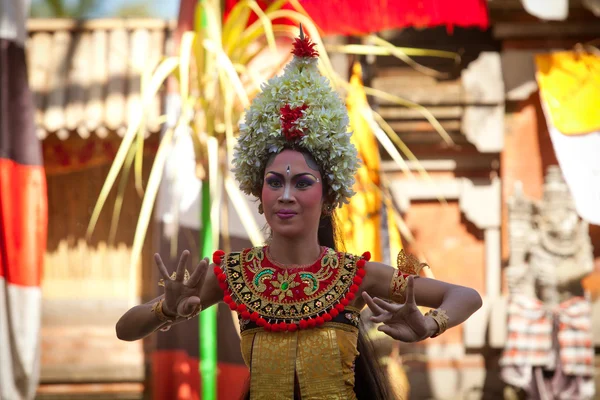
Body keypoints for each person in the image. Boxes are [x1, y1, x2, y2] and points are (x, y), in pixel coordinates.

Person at [116, 27, 482, 400]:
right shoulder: (232, 275)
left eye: (302, 183)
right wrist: (166, 309)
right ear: (260, 195)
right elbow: (125, 328)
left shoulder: (356, 276)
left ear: (328, 198)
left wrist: (430, 325)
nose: (286, 195)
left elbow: (466, 295)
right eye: (274, 182)